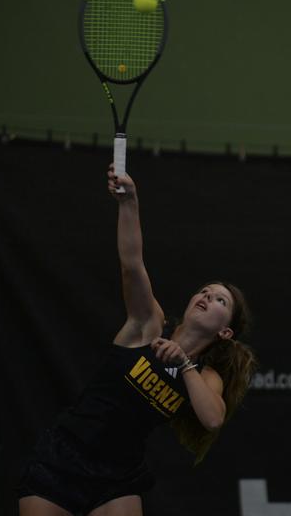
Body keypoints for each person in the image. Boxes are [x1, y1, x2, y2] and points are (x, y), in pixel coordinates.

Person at [17, 165, 258, 516]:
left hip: (117, 478)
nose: (207, 296)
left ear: (225, 332)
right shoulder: (148, 326)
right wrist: (129, 203)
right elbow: (132, 265)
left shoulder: (206, 376)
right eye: (205, 291)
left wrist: (184, 363)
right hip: (63, 456)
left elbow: (212, 419)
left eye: (221, 300)